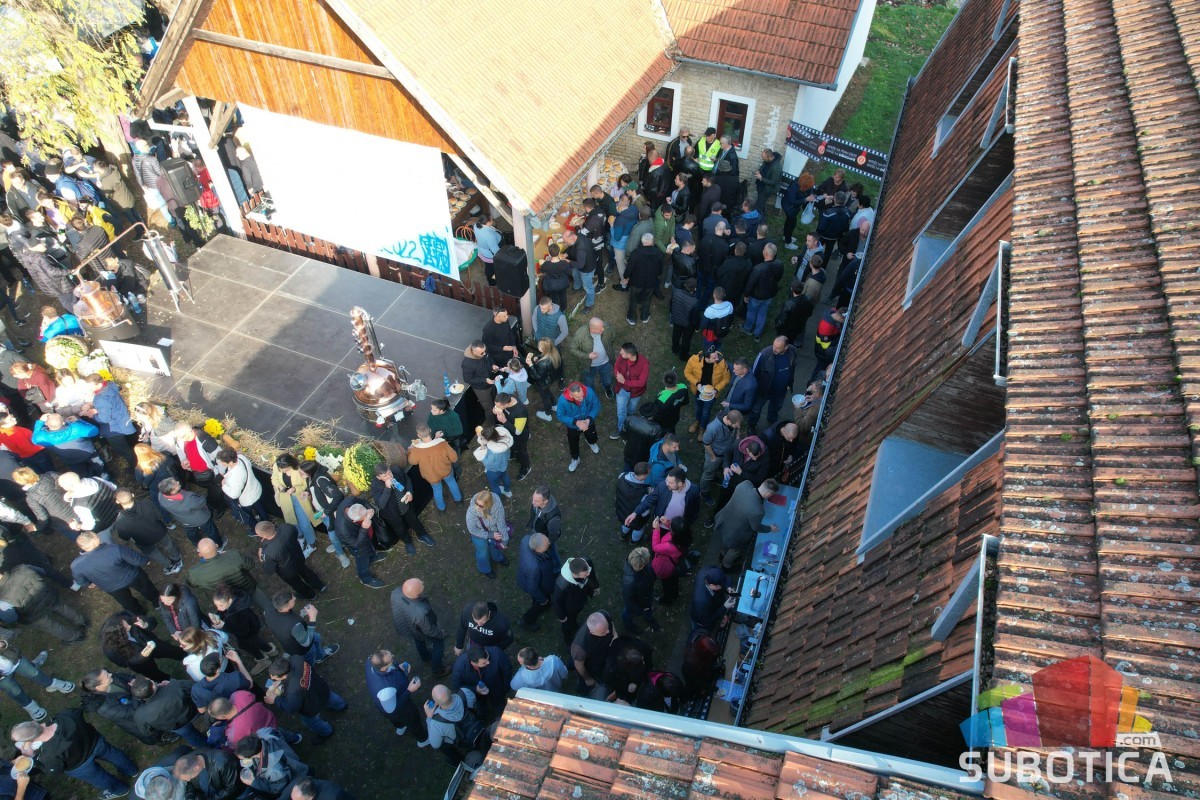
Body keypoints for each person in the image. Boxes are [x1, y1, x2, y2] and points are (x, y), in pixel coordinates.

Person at [10, 710, 137, 799]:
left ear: (31, 741)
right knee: (114, 755)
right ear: (34, 722)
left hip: (80, 765)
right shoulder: (65, 716)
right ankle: (132, 770)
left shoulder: (47, 756)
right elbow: (77, 712)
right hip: (95, 742)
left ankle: (121, 789)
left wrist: (33, 756)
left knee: (100, 778)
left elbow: (54, 770)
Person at [70, 531, 159, 613]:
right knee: (147, 589)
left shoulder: (76, 565)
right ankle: (157, 603)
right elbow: (137, 560)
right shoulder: (114, 549)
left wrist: (89, 584)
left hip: (111, 587)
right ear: (95, 540)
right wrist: (145, 561)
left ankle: (139, 615)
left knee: (127, 602)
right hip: (132, 576)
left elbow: (81, 581)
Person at [265, 655, 347, 739]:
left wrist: (275, 699)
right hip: (320, 688)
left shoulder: (293, 691)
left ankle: (327, 732)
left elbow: (291, 707)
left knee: (312, 722)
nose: (271, 677)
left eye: (274, 676)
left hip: (311, 706)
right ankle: (342, 706)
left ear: (283, 676)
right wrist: (281, 682)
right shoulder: (297, 658)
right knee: (330, 697)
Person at [0, 564, 86, 642]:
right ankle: (82, 621)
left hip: (34, 614)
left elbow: (11, 617)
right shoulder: (21, 568)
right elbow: (41, 571)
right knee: (62, 608)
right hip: (47, 596)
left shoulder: (2, 600)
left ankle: (75, 637)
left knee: (52, 626)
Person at [99, 611, 186, 681]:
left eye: (126, 623)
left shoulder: (128, 618)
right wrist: (140, 657)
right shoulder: (110, 650)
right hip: (142, 663)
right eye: (125, 629)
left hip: (153, 644)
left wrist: (145, 625)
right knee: (155, 675)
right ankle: (169, 682)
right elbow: (123, 663)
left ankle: (188, 657)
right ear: (119, 635)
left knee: (173, 651)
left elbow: (152, 621)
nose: (130, 626)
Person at [187, 538, 270, 611]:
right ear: (216, 546)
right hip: (248, 587)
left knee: (240, 612)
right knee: (266, 605)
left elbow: (192, 584)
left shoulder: (195, 573)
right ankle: (270, 612)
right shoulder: (234, 555)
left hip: (227, 597)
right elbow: (250, 564)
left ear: (200, 554)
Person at [80, 668, 159, 746]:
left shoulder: (111, 678)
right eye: (107, 676)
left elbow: (127, 677)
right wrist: (137, 690)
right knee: (151, 733)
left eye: (107, 673)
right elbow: (130, 711)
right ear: (99, 687)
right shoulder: (104, 707)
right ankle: (160, 738)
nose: (110, 674)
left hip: (137, 702)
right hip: (133, 720)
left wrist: (136, 682)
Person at [371, 461, 435, 555]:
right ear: (379, 477)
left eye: (389, 473)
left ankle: (422, 534)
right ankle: (408, 542)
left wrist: (409, 492)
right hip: (392, 513)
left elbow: (407, 480)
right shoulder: (375, 485)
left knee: (414, 520)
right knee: (400, 528)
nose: (389, 476)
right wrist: (387, 488)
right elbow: (381, 504)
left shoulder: (396, 470)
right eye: (385, 476)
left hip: (405, 505)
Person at [715, 479, 780, 570]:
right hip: (735, 535)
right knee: (735, 551)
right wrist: (770, 528)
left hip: (723, 520)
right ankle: (726, 565)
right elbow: (755, 527)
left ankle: (722, 554)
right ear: (768, 494)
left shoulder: (745, 484)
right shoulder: (758, 510)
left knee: (725, 540)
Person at [391, 578, 449, 678]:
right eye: (421, 586)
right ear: (416, 595)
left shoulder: (395, 593)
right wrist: (441, 634)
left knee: (418, 639)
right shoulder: (420, 611)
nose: (423, 583)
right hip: (418, 627)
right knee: (439, 644)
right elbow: (429, 631)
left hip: (407, 626)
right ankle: (437, 670)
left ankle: (425, 658)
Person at [114, 489, 182, 575]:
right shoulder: (146, 503)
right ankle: (177, 558)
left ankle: (170, 566)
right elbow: (159, 515)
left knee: (153, 553)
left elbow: (124, 537)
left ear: (117, 501)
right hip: (159, 531)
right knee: (168, 544)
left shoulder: (120, 521)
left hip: (143, 541)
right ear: (133, 495)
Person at [0, 642, 74, 721]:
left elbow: (3, 640)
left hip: (14, 659)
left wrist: (2, 644)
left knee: (33, 672)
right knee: (14, 690)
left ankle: (51, 684)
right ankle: (29, 705)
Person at [209, 583, 275, 668]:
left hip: (246, 633)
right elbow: (224, 610)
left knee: (250, 646)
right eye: (216, 605)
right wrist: (218, 615)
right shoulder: (237, 600)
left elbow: (242, 631)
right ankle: (270, 650)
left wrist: (224, 626)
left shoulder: (236, 614)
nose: (218, 608)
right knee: (256, 640)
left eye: (220, 605)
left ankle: (262, 661)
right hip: (253, 626)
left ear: (229, 600)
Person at [130, 676, 207, 749]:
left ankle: (207, 748)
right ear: (153, 686)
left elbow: (147, 731)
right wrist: (171, 684)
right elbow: (195, 687)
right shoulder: (176, 686)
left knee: (192, 737)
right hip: (193, 711)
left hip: (176, 726)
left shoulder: (140, 715)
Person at [264, 591, 339, 665]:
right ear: (285, 607)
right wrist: (312, 618)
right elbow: (307, 642)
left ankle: (320, 656)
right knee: (310, 658)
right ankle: (310, 668)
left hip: (289, 641)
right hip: (302, 649)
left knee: (317, 637)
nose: (295, 598)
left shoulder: (268, 610)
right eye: (293, 600)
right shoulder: (294, 625)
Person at [257, 521, 324, 600]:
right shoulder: (287, 527)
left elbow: (269, 570)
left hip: (288, 572)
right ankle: (320, 586)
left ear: (264, 536)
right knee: (306, 571)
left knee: (297, 584)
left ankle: (311, 595)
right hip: (298, 558)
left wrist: (261, 558)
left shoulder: (268, 552)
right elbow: (295, 533)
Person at [364, 649, 422, 738]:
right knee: (413, 721)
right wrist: (409, 690)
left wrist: (397, 666)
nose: (393, 657)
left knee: (395, 720)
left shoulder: (370, 660)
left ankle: (400, 727)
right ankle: (423, 739)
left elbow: (390, 667)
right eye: (391, 659)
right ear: (383, 668)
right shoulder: (385, 689)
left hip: (386, 703)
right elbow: (392, 710)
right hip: (399, 709)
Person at [233, 731, 309, 798]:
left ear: (254, 755)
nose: (242, 761)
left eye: (243, 759)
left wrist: (253, 782)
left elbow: (278, 789)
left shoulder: (274, 770)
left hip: (295, 779)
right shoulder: (264, 736)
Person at [417, 684, 479, 765]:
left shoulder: (436, 723)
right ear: (449, 690)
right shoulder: (465, 692)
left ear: (436, 703)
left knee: (442, 745)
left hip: (463, 741)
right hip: (475, 725)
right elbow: (474, 701)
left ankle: (457, 761)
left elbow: (435, 745)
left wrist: (429, 718)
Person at [629, 467, 702, 533]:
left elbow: (694, 511)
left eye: (670, 482)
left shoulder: (694, 491)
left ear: (680, 484)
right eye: (667, 480)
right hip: (659, 525)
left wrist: (685, 525)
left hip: (677, 529)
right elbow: (650, 499)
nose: (667, 483)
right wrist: (635, 512)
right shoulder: (663, 485)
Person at [215, 447, 269, 537]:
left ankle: (255, 530)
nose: (221, 463)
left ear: (230, 462)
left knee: (248, 515)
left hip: (246, 498)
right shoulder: (241, 458)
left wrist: (223, 485)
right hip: (255, 489)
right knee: (260, 507)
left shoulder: (236, 477)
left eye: (223, 462)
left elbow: (234, 494)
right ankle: (266, 522)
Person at [157, 477, 223, 550]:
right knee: (211, 531)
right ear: (172, 492)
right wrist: (203, 497)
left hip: (184, 520)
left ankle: (197, 545)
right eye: (176, 484)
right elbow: (201, 502)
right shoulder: (188, 499)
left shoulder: (161, 496)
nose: (178, 482)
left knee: (191, 533)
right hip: (199, 519)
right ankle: (218, 545)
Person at [271, 455, 318, 556]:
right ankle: (300, 537)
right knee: (292, 520)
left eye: (284, 469)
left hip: (300, 498)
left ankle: (312, 544)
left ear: (290, 465)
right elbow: (274, 479)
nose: (281, 470)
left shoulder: (299, 469)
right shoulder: (277, 466)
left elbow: (306, 485)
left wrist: (295, 489)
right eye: (280, 468)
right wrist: (279, 486)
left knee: (305, 523)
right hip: (286, 499)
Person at [450, 645, 511, 720]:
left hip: (496, 687)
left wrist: (505, 688)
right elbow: (457, 685)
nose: (488, 662)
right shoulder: (460, 667)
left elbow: (507, 671)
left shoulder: (497, 653)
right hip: (477, 693)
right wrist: (475, 689)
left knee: (499, 704)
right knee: (481, 705)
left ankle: (501, 716)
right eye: (484, 663)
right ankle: (483, 717)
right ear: (473, 663)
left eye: (488, 658)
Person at [172, 423, 223, 512]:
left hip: (209, 470)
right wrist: (183, 461)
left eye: (182, 436)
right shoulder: (180, 440)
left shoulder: (205, 440)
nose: (179, 439)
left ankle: (218, 504)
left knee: (214, 487)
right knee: (204, 484)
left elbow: (219, 457)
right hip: (195, 471)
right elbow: (179, 450)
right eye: (178, 437)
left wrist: (219, 473)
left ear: (190, 431)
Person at [750, 336, 799, 429]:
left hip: (781, 390)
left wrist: (789, 383)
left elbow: (792, 366)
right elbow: (754, 372)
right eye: (774, 345)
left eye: (778, 348)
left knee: (776, 407)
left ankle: (772, 419)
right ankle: (751, 425)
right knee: (756, 409)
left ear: (785, 347)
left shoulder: (792, 351)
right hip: (764, 390)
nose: (774, 349)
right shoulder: (764, 354)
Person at [32, 413, 102, 477]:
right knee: (100, 467)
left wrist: (40, 422)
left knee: (83, 474)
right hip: (89, 453)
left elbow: (34, 440)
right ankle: (104, 477)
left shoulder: (42, 437)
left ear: (46, 423)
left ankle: (89, 479)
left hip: (70, 459)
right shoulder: (76, 427)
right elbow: (94, 431)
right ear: (63, 422)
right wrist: (78, 420)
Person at [336, 504, 387, 589]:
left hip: (365, 540)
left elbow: (363, 501)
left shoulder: (350, 501)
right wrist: (364, 529)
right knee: (362, 560)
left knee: (369, 548)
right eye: (364, 518)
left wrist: (369, 508)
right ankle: (365, 579)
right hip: (358, 548)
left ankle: (371, 557)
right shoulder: (343, 531)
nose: (367, 518)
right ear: (354, 521)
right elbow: (356, 545)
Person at [515, 532, 558, 632]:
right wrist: (543, 599)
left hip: (533, 578)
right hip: (536, 585)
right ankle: (526, 620)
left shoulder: (526, 539)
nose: (549, 545)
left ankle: (545, 603)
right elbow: (533, 588)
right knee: (540, 604)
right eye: (547, 545)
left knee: (542, 599)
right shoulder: (534, 567)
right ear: (538, 549)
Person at [685, 346, 730, 438]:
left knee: (706, 412)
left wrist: (716, 389)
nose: (717, 359)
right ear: (707, 358)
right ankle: (698, 421)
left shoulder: (721, 362)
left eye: (717, 355)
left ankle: (702, 427)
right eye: (714, 357)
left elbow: (726, 378)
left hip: (712, 393)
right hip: (698, 390)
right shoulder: (694, 360)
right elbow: (687, 372)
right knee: (698, 408)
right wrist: (697, 383)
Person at [555, 381, 600, 473]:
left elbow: (596, 405)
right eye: (578, 397)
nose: (582, 398)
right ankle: (575, 458)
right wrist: (575, 422)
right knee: (573, 442)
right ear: (571, 395)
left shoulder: (589, 391)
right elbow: (560, 415)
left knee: (592, 435)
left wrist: (589, 418)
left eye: (582, 395)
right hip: (573, 426)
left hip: (588, 421)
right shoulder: (563, 400)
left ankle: (591, 442)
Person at [551, 557, 599, 645]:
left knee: (574, 617)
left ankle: (574, 624)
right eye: (585, 574)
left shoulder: (586, 563)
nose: (588, 573)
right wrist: (561, 616)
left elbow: (592, 574)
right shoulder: (562, 585)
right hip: (569, 607)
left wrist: (595, 586)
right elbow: (557, 601)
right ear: (575, 574)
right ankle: (568, 639)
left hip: (579, 599)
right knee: (567, 623)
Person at [742, 243, 784, 340]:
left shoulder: (758, 269)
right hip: (770, 294)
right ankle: (757, 333)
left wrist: (746, 295)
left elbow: (750, 284)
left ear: (765, 253)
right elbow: (779, 277)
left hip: (757, 296)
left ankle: (747, 328)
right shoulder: (779, 264)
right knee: (763, 313)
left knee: (751, 312)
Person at [570, 611, 616, 699]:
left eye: (607, 627)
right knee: (585, 684)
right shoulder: (579, 648)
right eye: (603, 631)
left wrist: (615, 636)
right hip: (591, 664)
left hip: (602, 654)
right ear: (592, 632)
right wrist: (587, 678)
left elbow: (611, 624)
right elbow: (579, 665)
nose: (608, 631)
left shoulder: (604, 615)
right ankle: (583, 693)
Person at [568, 317, 616, 399]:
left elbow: (612, 338)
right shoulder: (580, 334)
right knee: (589, 382)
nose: (603, 329)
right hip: (589, 366)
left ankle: (607, 388)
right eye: (600, 329)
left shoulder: (607, 328)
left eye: (602, 327)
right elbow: (572, 349)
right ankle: (590, 394)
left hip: (605, 362)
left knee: (607, 379)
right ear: (593, 330)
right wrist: (587, 356)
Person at [464, 490, 508, 579]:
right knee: (482, 552)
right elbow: (472, 529)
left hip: (494, 530)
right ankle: (485, 569)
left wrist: (505, 540)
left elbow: (501, 522)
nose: (477, 507)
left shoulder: (497, 506)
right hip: (479, 534)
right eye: (476, 503)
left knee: (495, 546)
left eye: (480, 506)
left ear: (488, 505)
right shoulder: (471, 511)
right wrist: (490, 535)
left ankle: (498, 557)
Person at [701, 410, 742, 504]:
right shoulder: (712, 428)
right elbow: (706, 444)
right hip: (715, 455)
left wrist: (737, 436)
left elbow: (737, 428)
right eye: (736, 426)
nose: (738, 427)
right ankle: (703, 492)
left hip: (725, 454)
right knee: (708, 474)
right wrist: (713, 457)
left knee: (717, 469)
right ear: (729, 421)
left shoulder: (732, 419)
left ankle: (713, 478)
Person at [650, 516, 691, 603]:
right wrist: (668, 523)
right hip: (674, 564)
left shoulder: (670, 546)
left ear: (673, 532)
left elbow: (655, 547)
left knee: (666, 583)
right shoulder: (684, 537)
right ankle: (675, 594)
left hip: (665, 567)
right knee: (673, 579)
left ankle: (666, 599)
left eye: (671, 526)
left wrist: (656, 529)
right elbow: (678, 531)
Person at [492, 392, 530, 482]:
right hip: (509, 429)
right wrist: (495, 409)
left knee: (522, 451)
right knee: (511, 444)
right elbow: (496, 407)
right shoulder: (508, 397)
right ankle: (513, 453)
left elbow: (518, 432)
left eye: (498, 406)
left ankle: (526, 467)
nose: (496, 407)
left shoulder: (520, 412)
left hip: (520, 436)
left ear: (506, 404)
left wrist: (504, 421)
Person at [171, 750, 240, 800]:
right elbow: (189, 784)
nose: (188, 780)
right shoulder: (191, 760)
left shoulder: (224, 763)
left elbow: (231, 790)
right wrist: (190, 797)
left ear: (196, 768)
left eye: (189, 777)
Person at [624, 233, 661, 325]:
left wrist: (626, 276)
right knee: (647, 299)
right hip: (651, 281)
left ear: (642, 241)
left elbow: (629, 268)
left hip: (636, 282)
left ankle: (631, 318)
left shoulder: (636, 253)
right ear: (652, 241)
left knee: (633, 299)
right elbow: (660, 268)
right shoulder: (658, 253)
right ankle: (644, 316)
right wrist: (658, 275)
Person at [621, 547, 660, 635]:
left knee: (648, 607)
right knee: (628, 612)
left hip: (646, 594)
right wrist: (638, 610)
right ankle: (628, 624)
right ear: (641, 566)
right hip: (637, 601)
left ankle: (648, 617)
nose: (648, 563)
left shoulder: (644, 565)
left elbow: (651, 574)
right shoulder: (629, 582)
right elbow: (628, 599)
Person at [525, 338, 564, 423]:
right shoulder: (554, 352)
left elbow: (538, 377)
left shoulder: (542, 363)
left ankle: (547, 414)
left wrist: (531, 365)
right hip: (550, 379)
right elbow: (544, 357)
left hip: (543, 384)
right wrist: (538, 357)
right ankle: (554, 404)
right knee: (547, 392)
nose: (537, 346)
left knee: (545, 398)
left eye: (539, 345)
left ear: (544, 349)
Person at [472, 424, 513, 500]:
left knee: (494, 485)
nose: (482, 440)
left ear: (489, 440)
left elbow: (487, 463)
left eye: (483, 439)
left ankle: (498, 498)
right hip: (504, 465)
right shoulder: (503, 441)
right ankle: (508, 491)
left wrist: (482, 447)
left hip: (493, 471)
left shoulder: (493, 452)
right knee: (505, 476)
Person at [614, 463, 652, 543]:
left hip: (622, 512)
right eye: (648, 473)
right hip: (636, 520)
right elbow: (644, 512)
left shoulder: (622, 476)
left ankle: (623, 535)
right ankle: (634, 541)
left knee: (625, 524)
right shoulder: (644, 492)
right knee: (638, 530)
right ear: (643, 476)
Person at [690, 567, 734, 636]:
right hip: (702, 620)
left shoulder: (708, 571)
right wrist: (724, 607)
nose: (722, 586)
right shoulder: (701, 602)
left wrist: (728, 587)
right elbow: (707, 620)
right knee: (702, 632)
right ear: (712, 586)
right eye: (721, 586)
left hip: (712, 605)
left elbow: (724, 577)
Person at [623, 402, 664, 472]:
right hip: (644, 456)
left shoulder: (630, 419)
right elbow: (655, 446)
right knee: (640, 472)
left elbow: (623, 434)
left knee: (627, 468)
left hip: (629, 452)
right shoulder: (656, 429)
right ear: (653, 414)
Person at [812, 306, 846, 382]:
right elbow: (825, 345)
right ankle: (812, 381)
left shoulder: (833, 313)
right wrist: (838, 341)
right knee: (819, 368)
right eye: (843, 320)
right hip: (823, 353)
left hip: (823, 349)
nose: (843, 322)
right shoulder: (826, 327)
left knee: (820, 367)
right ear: (840, 318)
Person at [776, 280, 814, 344]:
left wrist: (777, 325)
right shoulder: (808, 300)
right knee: (792, 340)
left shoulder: (789, 304)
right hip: (798, 326)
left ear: (792, 289)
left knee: (783, 342)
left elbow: (782, 320)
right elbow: (810, 313)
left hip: (787, 329)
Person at [538, 244, 571, 311]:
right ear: (559, 253)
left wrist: (542, 264)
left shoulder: (546, 264)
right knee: (563, 296)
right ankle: (564, 309)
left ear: (549, 254)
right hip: (563, 284)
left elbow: (541, 271)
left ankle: (556, 310)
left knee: (554, 298)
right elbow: (569, 272)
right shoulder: (564, 263)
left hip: (552, 286)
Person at [472, 216, 501, 286]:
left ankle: (490, 279)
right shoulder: (489, 235)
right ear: (487, 222)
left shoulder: (476, 225)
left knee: (488, 266)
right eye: (492, 220)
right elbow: (494, 249)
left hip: (481, 250)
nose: (493, 221)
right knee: (491, 268)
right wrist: (500, 257)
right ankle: (492, 282)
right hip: (489, 255)